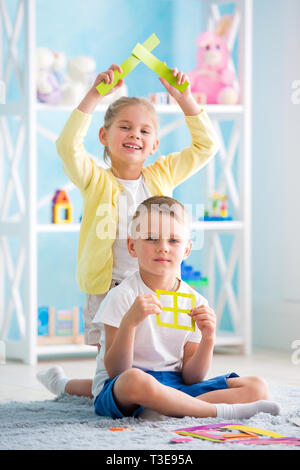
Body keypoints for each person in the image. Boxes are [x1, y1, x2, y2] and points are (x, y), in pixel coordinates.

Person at [37, 62, 219, 398]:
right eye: (125, 127)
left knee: (151, 370)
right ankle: (63, 386)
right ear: (104, 137)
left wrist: (185, 100)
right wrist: (93, 96)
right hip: (110, 288)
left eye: (145, 131)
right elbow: (67, 147)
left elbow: (206, 147)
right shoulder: (94, 179)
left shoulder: (162, 174)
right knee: (111, 377)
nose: (135, 134)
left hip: (157, 288)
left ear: (154, 146)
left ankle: (72, 388)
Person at [92, 196, 280, 420]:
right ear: (133, 246)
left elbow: (192, 378)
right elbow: (117, 372)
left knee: (257, 387)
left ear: (187, 249)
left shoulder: (196, 301)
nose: (163, 248)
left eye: (173, 241)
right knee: (135, 380)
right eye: (151, 239)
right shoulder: (122, 296)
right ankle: (217, 411)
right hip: (127, 388)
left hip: (176, 384)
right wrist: (129, 322)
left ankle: (164, 409)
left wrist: (209, 338)